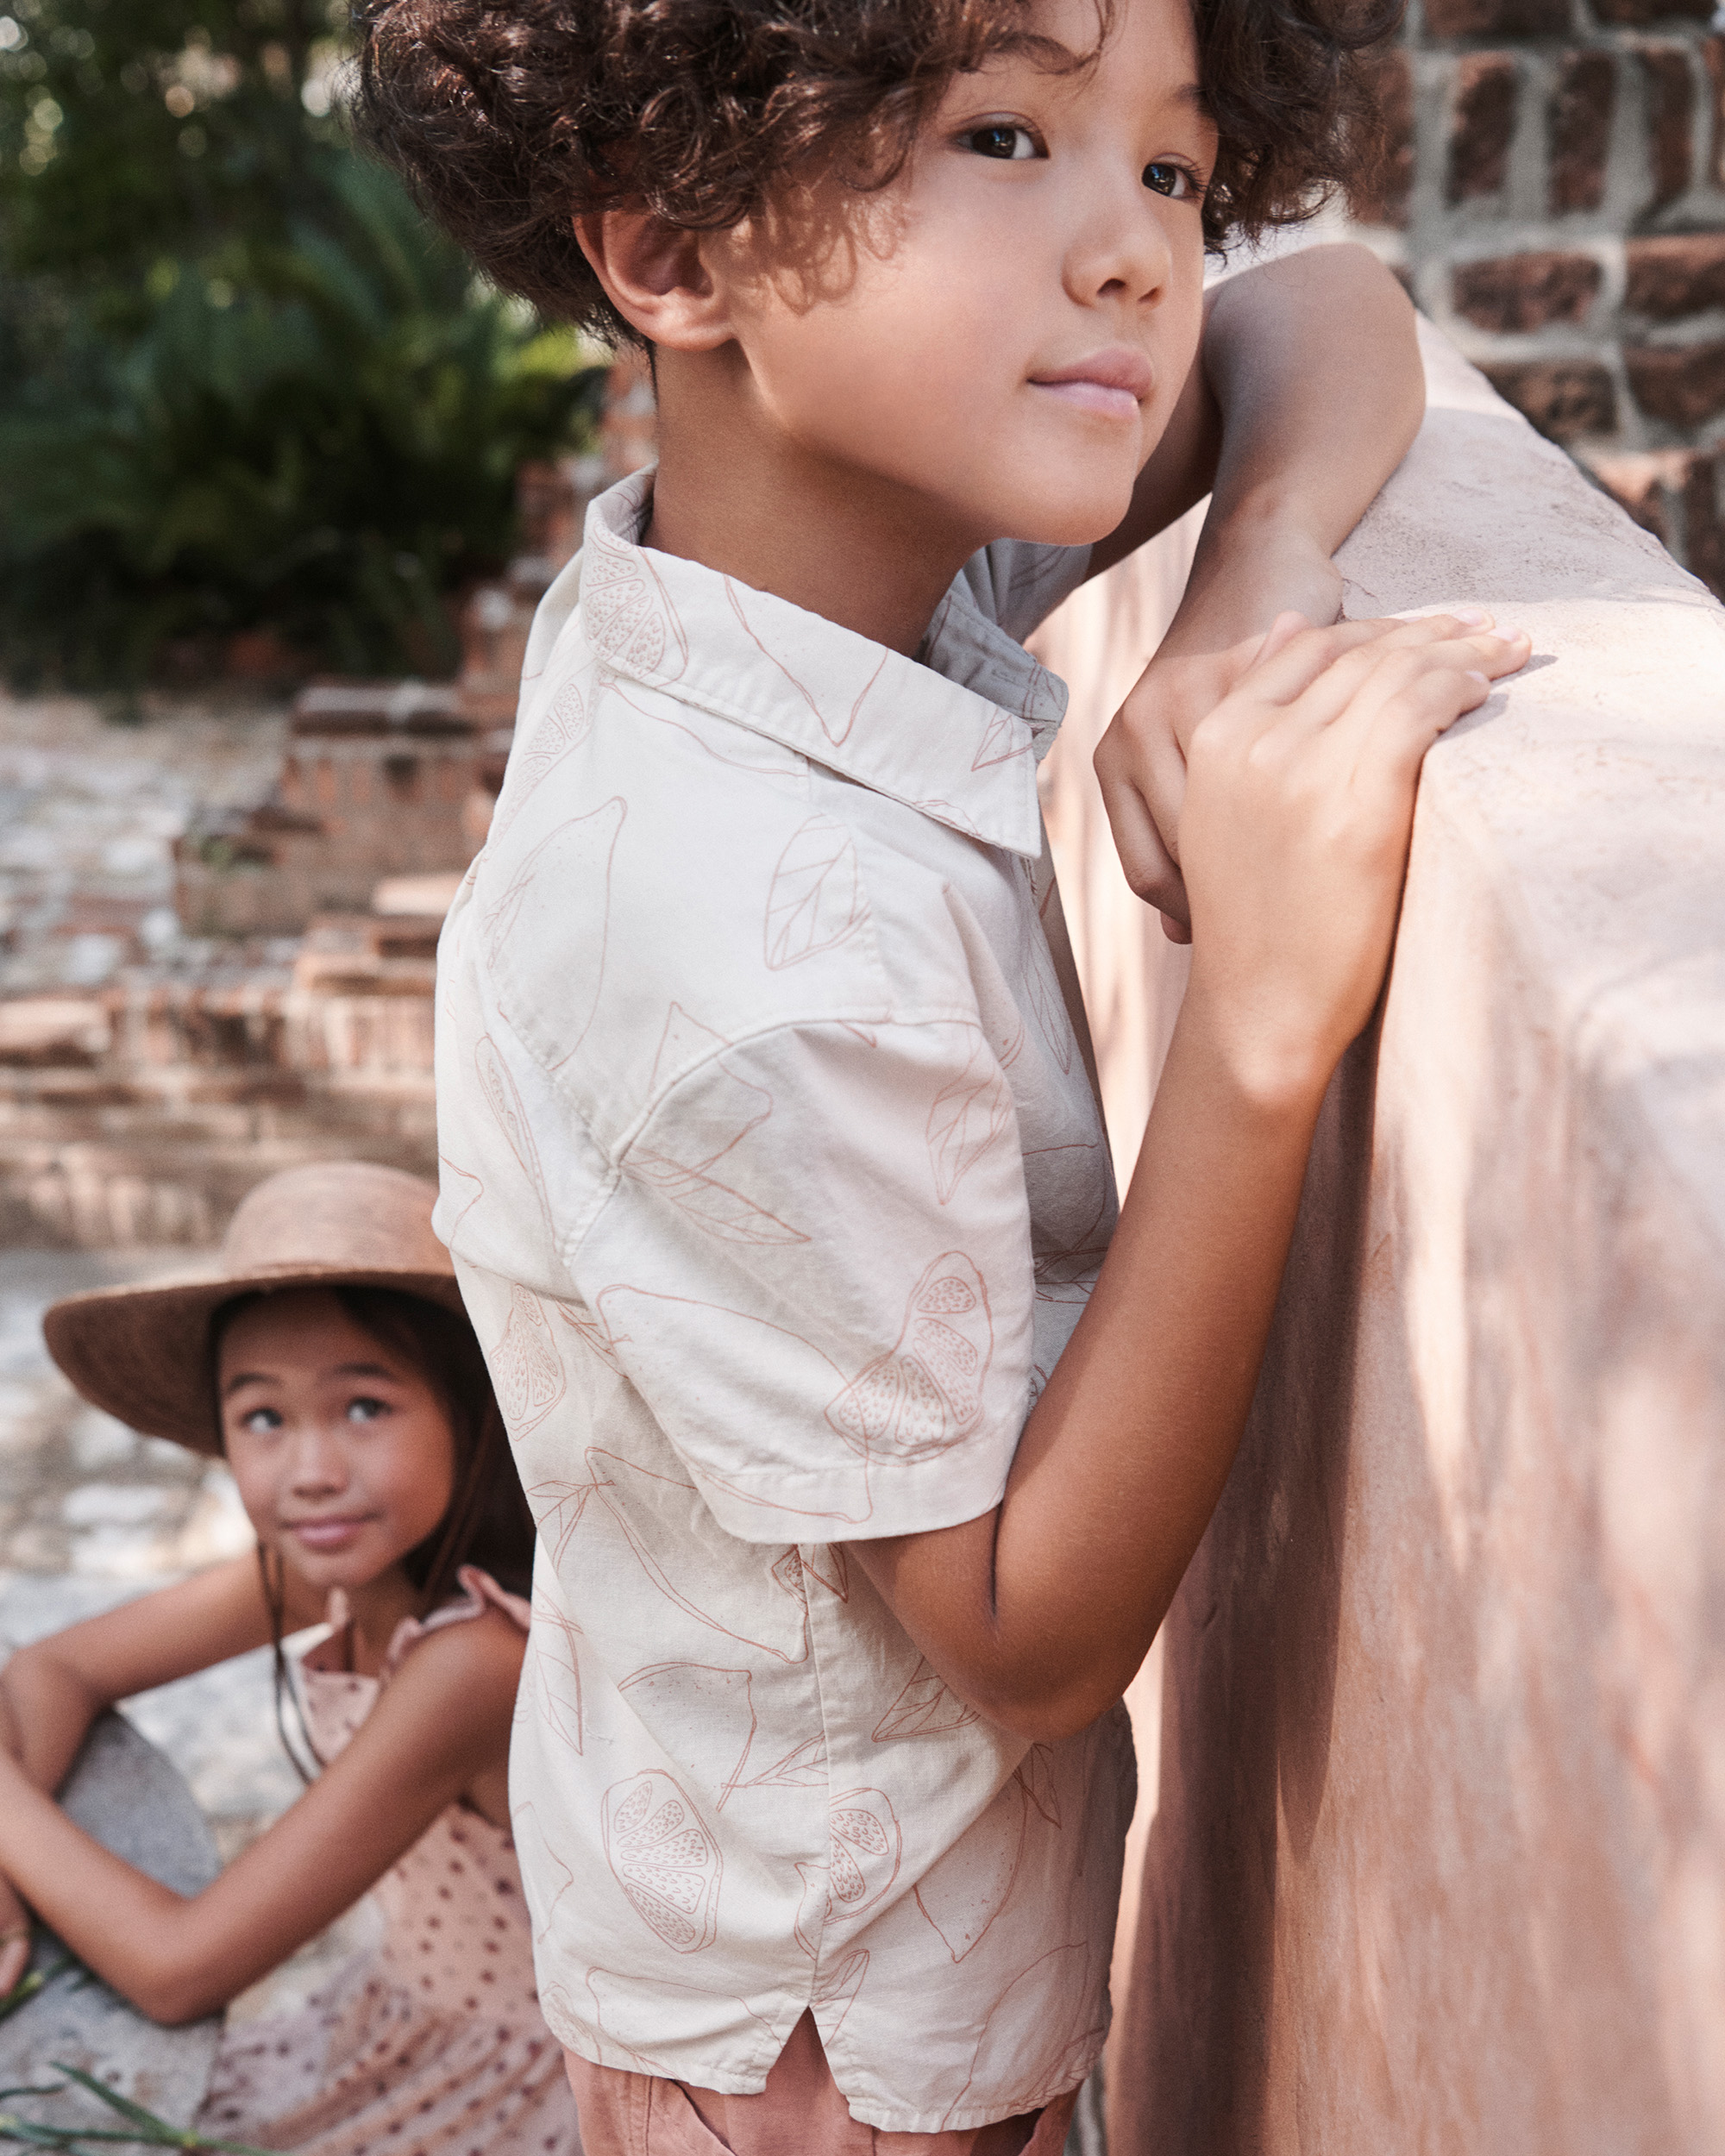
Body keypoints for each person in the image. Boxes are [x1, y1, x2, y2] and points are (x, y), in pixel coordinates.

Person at [357, 0, 1534, 2147]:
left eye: (1167, 166)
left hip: (846, 1931)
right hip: (824, 2054)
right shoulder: (742, 953)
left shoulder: (820, 556)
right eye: (999, 136)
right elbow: (1015, 1632)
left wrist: (1241, 579)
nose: (1131, 255)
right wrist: (1257, 1040)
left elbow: (1340, 308)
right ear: (673, 254)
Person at [0, 1163, 582, 2156]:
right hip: (390, 2010)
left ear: (468, 1410)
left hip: (503, 2088)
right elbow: (52, 1671)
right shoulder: (343, 1562)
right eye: (265, 1417)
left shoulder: (474, 1661)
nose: (312, 1472)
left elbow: (178, 1968)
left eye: (364, 1406)